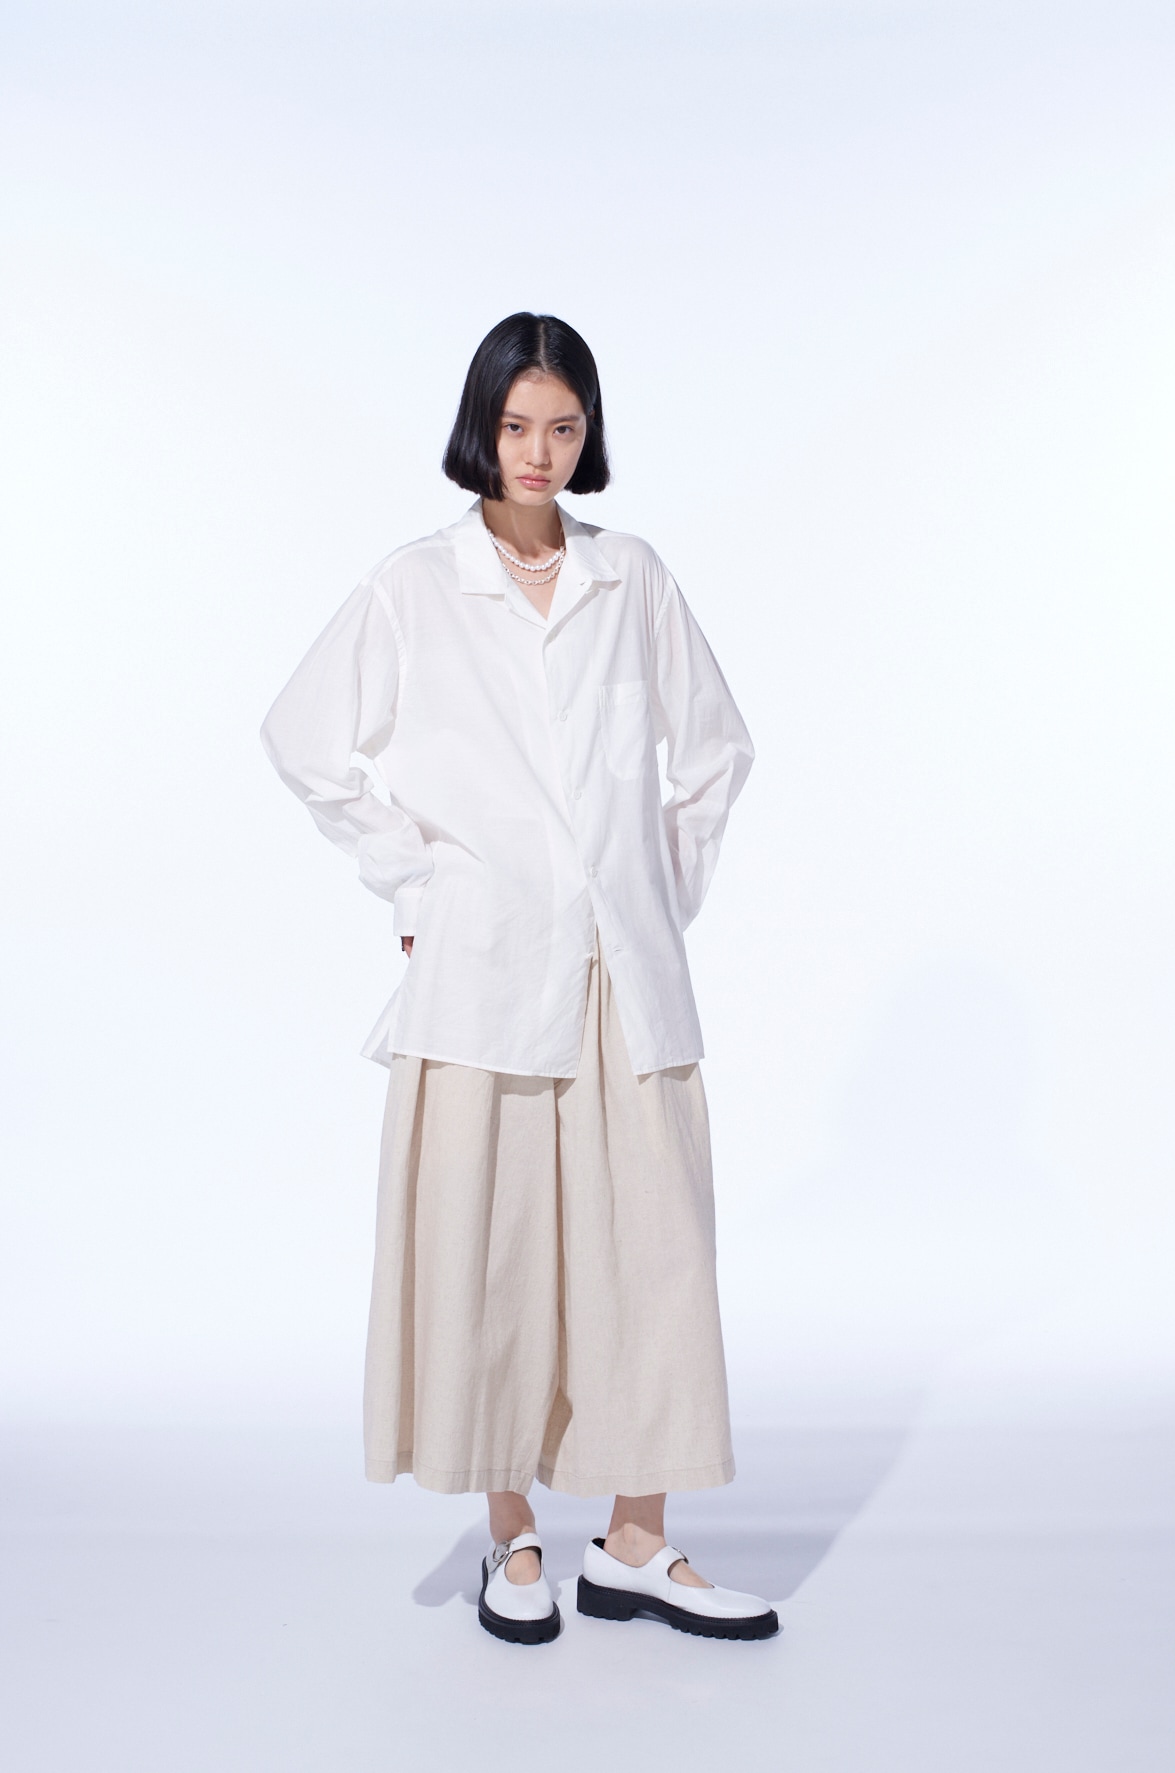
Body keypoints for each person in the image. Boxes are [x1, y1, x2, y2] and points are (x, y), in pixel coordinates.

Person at [260, 312, 776, 1644]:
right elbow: (305, 740)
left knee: (654, 1253)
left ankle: (637, 1541)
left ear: (587, 435)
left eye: (563, 427)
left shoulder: (632, 576)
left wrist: (651, 896)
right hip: (484, 972)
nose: (539, 452)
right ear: (479, 429)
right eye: (516, 425)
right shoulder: (416, 586)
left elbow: (715, 753)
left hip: (623, 978)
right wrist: (418, 884)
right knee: (489, 1252)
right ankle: (513, 1535)